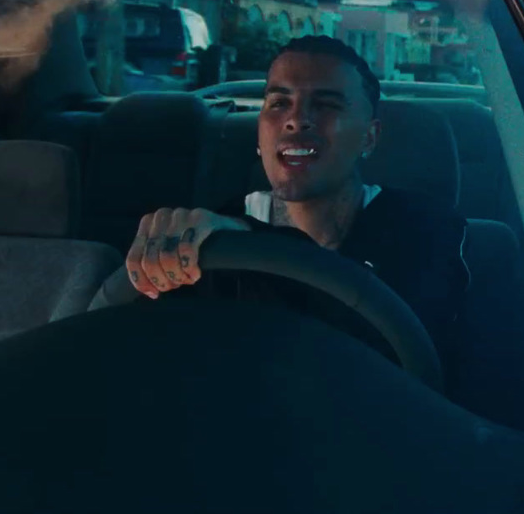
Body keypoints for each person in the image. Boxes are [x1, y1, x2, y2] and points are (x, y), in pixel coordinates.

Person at [124, 35, 469, 364]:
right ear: (260, 133)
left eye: (326, 104)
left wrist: (253, 241)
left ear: (369, 137)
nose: (296, 120)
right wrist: (157, 265)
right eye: (279, 103)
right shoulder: (211, 234)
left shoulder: (424, 229)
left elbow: (407, 350)